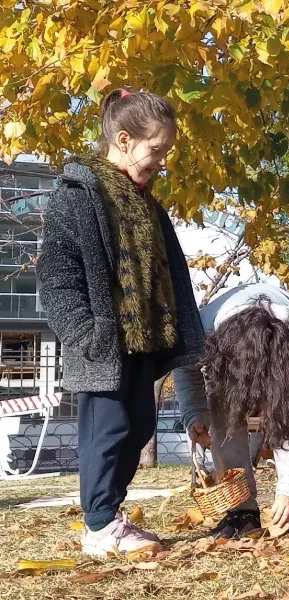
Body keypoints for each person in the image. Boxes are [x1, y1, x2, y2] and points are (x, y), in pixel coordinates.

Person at [36, 89, 205, 555]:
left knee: (139, 425)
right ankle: (99, 526)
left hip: (143, 338)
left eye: (167, 152)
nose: (163, 162)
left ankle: (110, 516)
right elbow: (57, 274)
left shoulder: (147, 203)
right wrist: (84, 333)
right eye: (157, 150)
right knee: (107, 431)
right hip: (102, 342)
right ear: (125, 139)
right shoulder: (78, 196)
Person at [174, 283, 289, 539]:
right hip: (226, 345)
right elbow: (184, 369)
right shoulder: (203, 330)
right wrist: (195, 413)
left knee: (286, 412)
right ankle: (243, 510)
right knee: (223, 415)